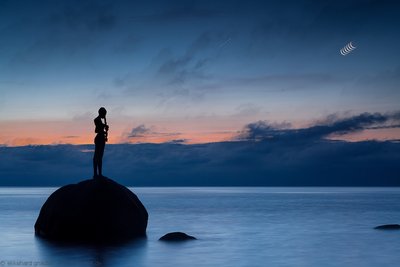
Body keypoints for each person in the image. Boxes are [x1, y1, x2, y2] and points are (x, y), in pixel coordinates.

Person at [93, 107, 109, 178]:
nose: (105, 116)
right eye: (104, 114)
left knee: (100, 157)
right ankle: (96, 174)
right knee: (97, 156)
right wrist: (104, 126)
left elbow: (100, 129)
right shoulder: (97, 120)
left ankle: (99, 174)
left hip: (101, 139)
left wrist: (105, 130)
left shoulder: (100, 120)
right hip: (99, 138)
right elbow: (96, 130)